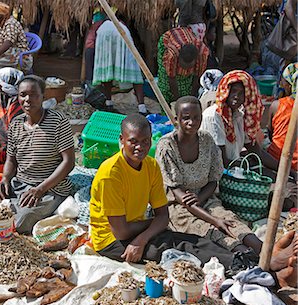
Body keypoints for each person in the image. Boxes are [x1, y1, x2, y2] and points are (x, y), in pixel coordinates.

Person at [89, 113, 234, 267]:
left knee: (189, 239)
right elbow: (121, 231)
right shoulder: (111, 174)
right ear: (121, 140)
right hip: (111, 240)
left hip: (136, 230)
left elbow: (163, 216)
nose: (140, 147)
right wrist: (152, 224)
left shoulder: (151, 166)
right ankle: (232, 264)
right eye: (133, 141)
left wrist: (143, 237)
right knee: (171, 251)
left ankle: (238, 257)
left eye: (145, 141)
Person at [156, 96, 263, 255]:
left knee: (230, 220)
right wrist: (214, 221)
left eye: (196, 117)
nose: (191, 122)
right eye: (186, 118)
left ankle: (265, 250)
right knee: (209, 230)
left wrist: (201, 199)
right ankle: (246, 256)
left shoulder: (206, 140)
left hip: (206, 197)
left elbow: (214, 179)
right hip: (178, 207)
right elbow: (180, 196)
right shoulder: (167, 147)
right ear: (176, 119)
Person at [0, 75, 75, 234]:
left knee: (21, 222)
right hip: (19, 184)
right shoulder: (16, 123)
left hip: (49, 189)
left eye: (33, 95)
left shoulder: (58, 122)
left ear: (43, 96)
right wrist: (5, 179)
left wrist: (39, 189)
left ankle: (18, 208)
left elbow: (68, 162)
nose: (27, 99)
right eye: (23, 95)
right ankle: (12, 205)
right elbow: (11, 159)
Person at [200, 70, 297, 209]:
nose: (236, 97)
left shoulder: (238, 115)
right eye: (233, 91)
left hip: (237, 167)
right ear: (225, 91)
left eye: (241, 93)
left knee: (288, 183)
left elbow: (257, 152)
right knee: (279, 192)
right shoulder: (213, 117)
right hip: (219, 176)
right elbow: (222, 162)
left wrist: (286, 170)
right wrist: (263, 177)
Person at [92, 16, 147, 115]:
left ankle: (108, 103)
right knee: (134, 70)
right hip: (121, 33)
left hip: (104, 35)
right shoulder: (123, 26)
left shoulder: (101, 26)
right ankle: (142, 108)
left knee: (107, 67)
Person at [157, 26, 209, 104]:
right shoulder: (172, 55)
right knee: (165, 86)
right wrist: (178, 102)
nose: (185, 69)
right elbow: (171, 78)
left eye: (189, 67)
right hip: (168, 39)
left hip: (186, 42)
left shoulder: (202, 54)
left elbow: (197, 77)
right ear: (179, 58)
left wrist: (191, 99)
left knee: (186, 87)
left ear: (195, 61)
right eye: (183, 65)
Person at [0, 1, 32, 72]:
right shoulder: (2, 24)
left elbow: (8, 43)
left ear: (1, 17)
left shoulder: (11, 24)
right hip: (8, 53)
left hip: (18, 55)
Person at [267, 63, 298, 172]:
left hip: (277, 160)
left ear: (290, 85)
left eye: (283, 81)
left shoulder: (277, 105)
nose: (280, 83)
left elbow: (270, 135)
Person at [84, 8, 105, 83]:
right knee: (92, 69)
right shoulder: (99, 25)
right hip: (92, 47)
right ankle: (91, 87)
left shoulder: (94, 25)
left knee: (90, 69)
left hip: (90, 47)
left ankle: (89, 85)